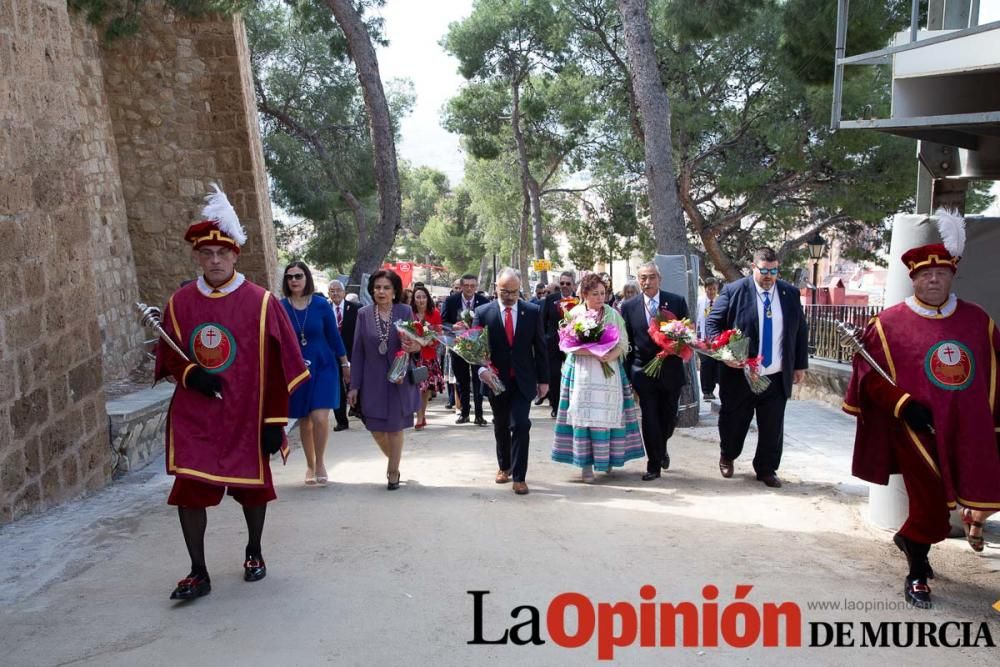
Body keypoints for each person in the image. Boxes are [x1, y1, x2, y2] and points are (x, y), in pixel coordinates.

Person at [154, 185, 309, 600]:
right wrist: (190, 375)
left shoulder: (261, 303)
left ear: (236, 254)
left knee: (252, 489)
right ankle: (198, 571)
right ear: (197, 257)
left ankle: (254, 552)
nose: (215, 259)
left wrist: (275, 422)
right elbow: (168, 356)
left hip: (246, 414)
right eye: (207, 253)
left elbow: (283, 366)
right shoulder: (180, 303)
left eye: (222, 252)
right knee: (190, 487)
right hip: (198, 415)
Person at [842, 213, 999, 608]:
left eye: (942, 274)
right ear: (912, 279)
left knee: (969, 496)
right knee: (930, 507)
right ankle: (916, 572)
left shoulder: (978, 321)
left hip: (968, 430)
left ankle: (909, 541)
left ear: (951, 277)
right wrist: (903, 404)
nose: (934, 280)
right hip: (916, 431)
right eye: (926, 275)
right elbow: (868, 378)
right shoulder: (889, 324)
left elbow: (997, 370)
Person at [706, 248, 808, 489]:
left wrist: (800, 365)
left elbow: (800, 330)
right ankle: (727, 455)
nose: (768, 276)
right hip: (740, 374)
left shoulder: (790, 294)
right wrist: (723, 353)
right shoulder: (734, 291)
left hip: (775, 373)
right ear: (753, 268)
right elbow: (713, 324)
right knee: (734, 422)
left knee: (772, 426)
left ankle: (766, 468)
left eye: (773, 271)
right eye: (764, 271)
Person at [552, 274, 644, 482]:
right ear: (584, 294)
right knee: (583, 416)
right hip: (581, 371)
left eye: (603, 293)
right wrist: (594, 352)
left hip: (608, 371)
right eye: (595, 294)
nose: (600, 298)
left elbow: (623, 343)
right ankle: (585, 466)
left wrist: (609, 355)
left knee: (608, 415)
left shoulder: (613, 314)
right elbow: (567, 345)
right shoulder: (574, 314)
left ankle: (607, 458)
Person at [474, 268, 548, 495]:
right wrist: (481, 370)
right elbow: (475, 349)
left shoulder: (532, 311)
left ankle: (519, 477)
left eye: (514, 292)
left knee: (521, 425)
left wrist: (544, 380)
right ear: (496, 288)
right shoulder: (483, 312)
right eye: (505, 291)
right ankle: (504, 466)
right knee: (501, 424)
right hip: (495, 379)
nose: (509, 296)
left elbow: (540, 347)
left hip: (522, 380)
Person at [347, 269, 423, 490]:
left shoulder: (405, 310)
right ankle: (395, 460)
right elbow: (358, 352)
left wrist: (414, 345)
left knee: (395, 427)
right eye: (377, 287)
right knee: (376, 429)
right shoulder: (363, 314)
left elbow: (416, 342)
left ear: (395, 291)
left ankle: (393, 472)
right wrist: (354, 386)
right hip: (373, 380)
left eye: (386, 287)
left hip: (398, 378)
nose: (381, 291)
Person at [281, 262, 349, 486]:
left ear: (306, 278)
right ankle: (310, 464)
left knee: (320, 417)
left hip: (324, 366)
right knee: (305, 420)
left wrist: (345, 364)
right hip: (297, 369)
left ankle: (320, 462)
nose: (294, 280)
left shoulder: (321, 305)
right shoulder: (281, 307)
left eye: (298, 276)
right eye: (290, 277)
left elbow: (333, 336)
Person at [621, 262, 689, 480]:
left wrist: (674, 347)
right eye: (642, 277)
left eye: (651, 277)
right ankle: (654, 464)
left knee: (668, 418)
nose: (647, 282)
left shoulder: (676, 302)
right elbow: (627, 341)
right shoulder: (629, 306)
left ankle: (663, 445)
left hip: (670, 370)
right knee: (649, 418)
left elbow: (687, 334)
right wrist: (629, 371)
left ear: (659, 279)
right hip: (643, 371)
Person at [441, 274, 490, 425]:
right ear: (461, 286)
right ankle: (464, 413)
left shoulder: (483, 301)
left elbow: (488, 324)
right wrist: (452, 327)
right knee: (462, 381)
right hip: (458, 346)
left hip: (477, 348)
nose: (469, 289)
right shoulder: (450, 301)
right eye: (466, 285)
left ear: (476, 287)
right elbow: (442, 322)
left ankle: (479, 415)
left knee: (478, 379)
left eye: (472, 286)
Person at [541, 271, 578, 417]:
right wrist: (545, 338)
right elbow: (543, 321)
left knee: (574, 376)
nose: (564, 286)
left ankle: (573, 406)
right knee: (554, 375)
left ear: (573, 284)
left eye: (568, 283)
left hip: (574, 345)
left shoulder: (579, 299)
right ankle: (556, 406)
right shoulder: (551, 299)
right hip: (554, 344)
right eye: (562, 283)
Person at [411, 284, 446, 429]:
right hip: (411, 356)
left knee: (424, 388)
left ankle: (421, 416)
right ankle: (417, 414)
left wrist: (429, 340)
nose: (421, 300)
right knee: (413, 388)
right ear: (413, 299)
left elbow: (438, 336)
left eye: (423, 297)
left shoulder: (434, 313)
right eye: (418, 297)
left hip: (427, 356)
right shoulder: (409, 313)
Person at [329, 280, 360, 431]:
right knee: (337, 388)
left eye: (338, 290)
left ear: (344, 293)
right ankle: (341, 421)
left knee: (355, 383)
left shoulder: (355, 309)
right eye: (332, 291)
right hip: (332, 356)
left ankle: (358, 409)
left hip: (352, 353)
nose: (335, 293)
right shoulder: (325, 310)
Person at [697, 277, 722, 400]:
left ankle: (714, 389)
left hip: (717, 340)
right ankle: (707, 391)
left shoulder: (720, 301)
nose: (711, 292)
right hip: (703, 339)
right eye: (709, 289)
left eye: (714, 289)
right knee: (706, 364)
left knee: (716, 364)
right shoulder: (700, 302)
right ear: (705, 289)